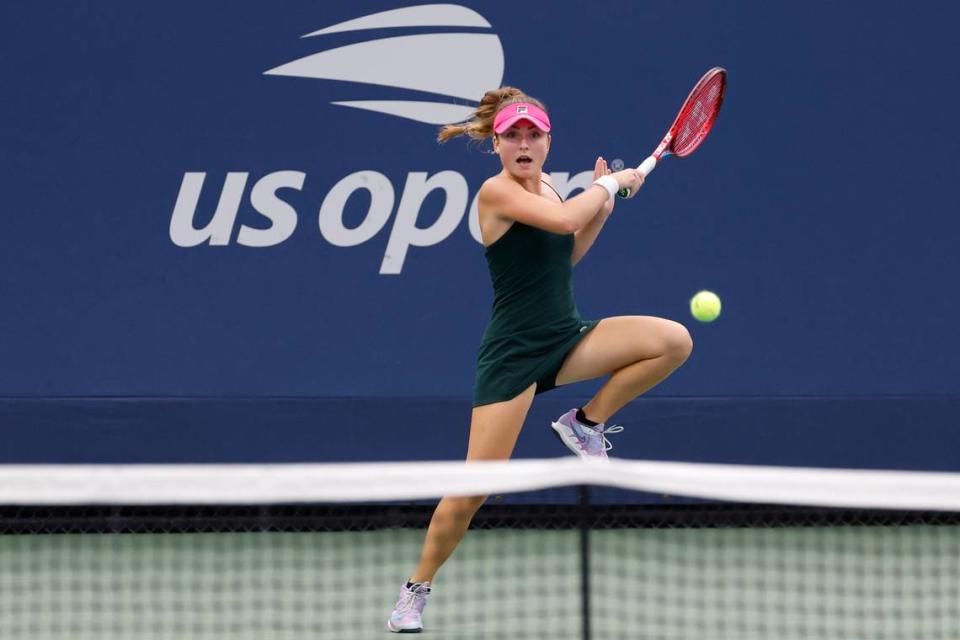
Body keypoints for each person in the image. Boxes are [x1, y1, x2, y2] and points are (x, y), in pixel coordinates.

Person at [387, 87, 693, 633]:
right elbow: (566, 224)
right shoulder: (494, 193)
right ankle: (416, 588)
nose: (524, 144)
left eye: (534, 134)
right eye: (513, 136)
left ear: (548, 142)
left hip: (565, 336)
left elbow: (568, 251)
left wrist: (604, 205)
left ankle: (585, 422)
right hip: (512, 356)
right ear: (497, 145)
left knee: (672, 341)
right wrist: (605, 187)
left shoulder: (551, 188)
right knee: (474, 488)